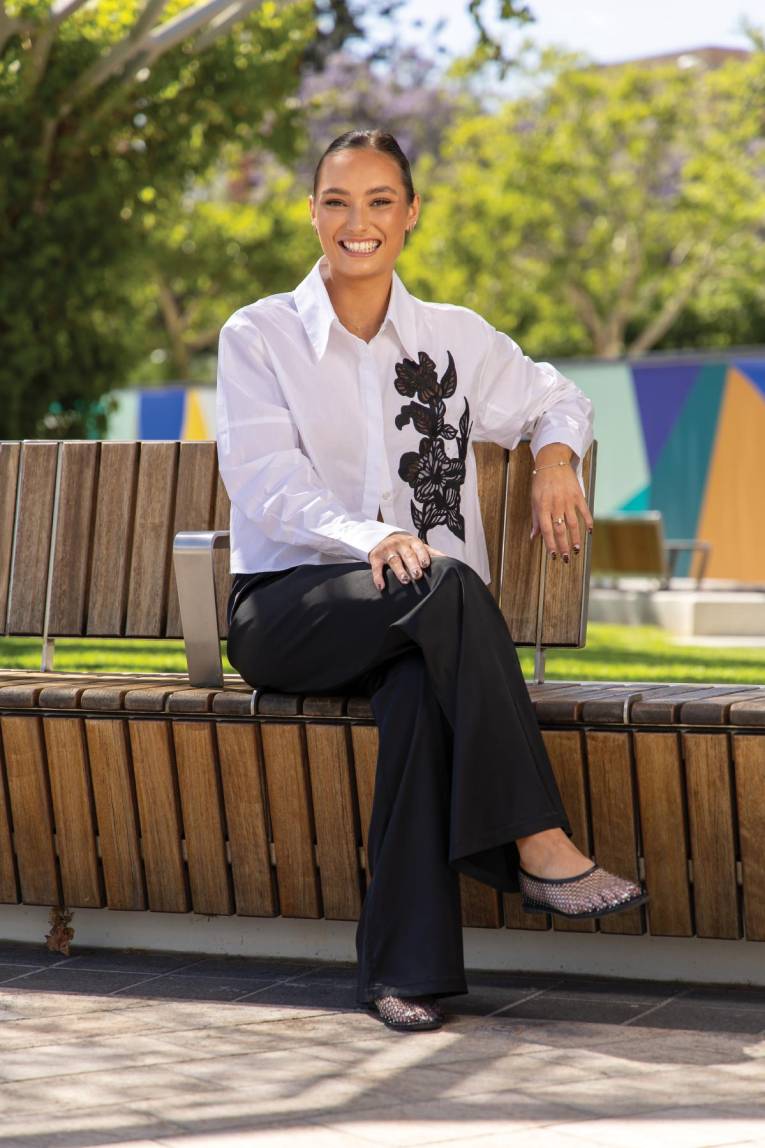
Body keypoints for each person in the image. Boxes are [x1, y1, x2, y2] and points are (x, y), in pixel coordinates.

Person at [216, 129, 648, 1035]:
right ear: (312, 213)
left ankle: (402, 975)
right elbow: (265, 483)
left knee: (417, 692)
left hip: (420, 626)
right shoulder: (259, 335)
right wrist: (371, 536)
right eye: (336, 201)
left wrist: (555, 457)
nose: (357, 222)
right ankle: (537, 841)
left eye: (379, 201)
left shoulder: (456, 338)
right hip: (291, 611)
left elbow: (555, 396)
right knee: (442, 584)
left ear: (410, 214)